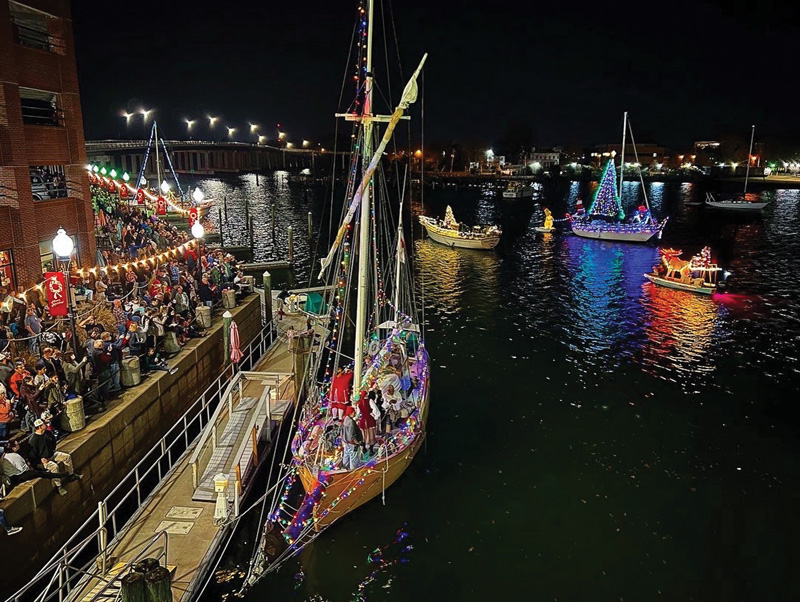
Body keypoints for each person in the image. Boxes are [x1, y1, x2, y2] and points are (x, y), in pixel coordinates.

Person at [28, 418, 80, 496]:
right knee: (54, 467)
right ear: (39, 427)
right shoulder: (33, 440)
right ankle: (58, 487)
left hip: (52, 454)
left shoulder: (48, 433)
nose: (46, 424)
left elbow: (53, 442)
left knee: (67, 457)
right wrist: (40, 461)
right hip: (43, 460)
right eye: (43, 424)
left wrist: (52, 450)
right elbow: (32, 455)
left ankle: (71, 475)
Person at [357, 390, 379, 456]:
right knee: (371, 434)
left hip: (363, 420)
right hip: (370, 419)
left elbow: (358, 413)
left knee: (364, 435)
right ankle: (371, 450)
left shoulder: (359, 403)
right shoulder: (370, 401)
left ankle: (364, 448)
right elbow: (375, 409)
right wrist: (375, 416)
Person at [340, 406, 362, 470]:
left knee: (346, 455)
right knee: (353, 457)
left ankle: (344, 467)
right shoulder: (351, 422)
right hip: (351, 443)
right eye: (353, 412)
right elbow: (351, 435)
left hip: (345, 442)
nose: (354, 413)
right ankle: (353, 470)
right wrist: (357, 442)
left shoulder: (345, 419)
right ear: (351, 413)